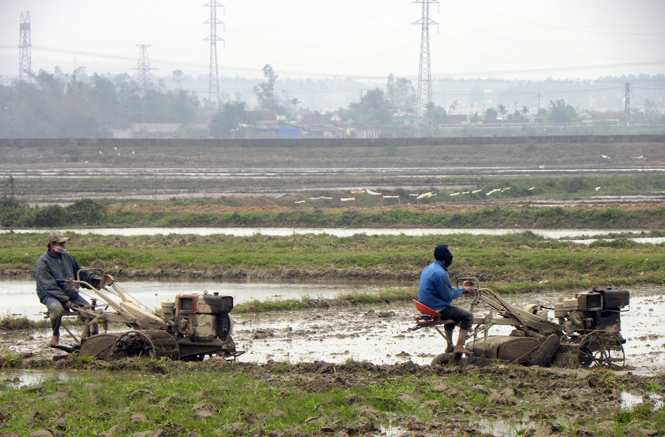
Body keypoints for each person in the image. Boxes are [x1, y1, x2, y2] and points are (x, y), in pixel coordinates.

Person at [34, 231, 102, 347]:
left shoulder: (68, 258)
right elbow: (48, 286)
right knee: (57, 309)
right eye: (61, 243)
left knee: (91, 312)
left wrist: (95, 281)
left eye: (64, 243)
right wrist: (65, 301)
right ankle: (55, 334)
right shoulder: (43, 262)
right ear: (52, 245)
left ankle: (93, 340)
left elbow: (80, 274)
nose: (63, 246)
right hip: (50, 295)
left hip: (70, 292)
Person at [417, 244, 476, 355]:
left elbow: (439, 289)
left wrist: (457, 289)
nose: (451, 256)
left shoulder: (430, 268)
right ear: (445, 257)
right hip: (436, 307)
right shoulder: (440, 273)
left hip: (427, 304)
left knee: (451, 316)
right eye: (450, 253)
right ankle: (459, 347)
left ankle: (449, 346)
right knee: (468, 316)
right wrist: (463, 289)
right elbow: (447, 296)